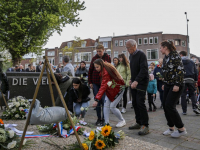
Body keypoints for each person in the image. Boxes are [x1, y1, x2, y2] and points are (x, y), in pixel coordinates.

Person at [160, 40, 187, 138]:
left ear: (165, 47)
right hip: (167, 84)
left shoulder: (175, 55)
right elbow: (166, 71)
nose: (160, 49)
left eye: (161, 47)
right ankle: (171, 128)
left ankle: (181, 129)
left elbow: (180, 71)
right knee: (165, 105)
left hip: (176, 84)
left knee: (170, 105)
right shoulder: (166, 57)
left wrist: (177, 84)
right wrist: (164, 82)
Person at [92, 59, 126, 127]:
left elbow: (103, 86)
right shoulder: (105, 67)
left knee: (112, 107)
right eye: (95, 67)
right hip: (111, 89)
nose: (96, 69)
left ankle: (122, 120)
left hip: (118, 89)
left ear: (101, 65)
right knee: (106, 105)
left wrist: (96, 99)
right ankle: (106, 124)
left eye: (97, 67)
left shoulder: (106, 72)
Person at [126, 39, 149, 135]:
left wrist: (136, 80)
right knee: (134, 103)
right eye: (126, 48)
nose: (127, 50)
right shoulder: (131, 56)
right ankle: (138, 122)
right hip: (134, 82)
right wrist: (132, 79)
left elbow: (143, 70)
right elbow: (134, 70)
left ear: (134, 46)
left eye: (128, 48)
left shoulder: (141, 54)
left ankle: (145, 125)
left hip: (142, 82)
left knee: (140, 103)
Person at [88, 44, 111, 126]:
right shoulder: (94, 58)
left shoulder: (107, 57)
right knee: (97, 100)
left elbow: (109, 69)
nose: (99, 53)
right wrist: (90, 82)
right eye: (97, 51)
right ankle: (99, 118)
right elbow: (90, 70)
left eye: (100, 51)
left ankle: (104, 119)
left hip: (104, 82)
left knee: (104, 100)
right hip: (95, 82)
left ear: (103, 50)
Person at [179, 51, 200, 115]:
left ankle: (184, 111)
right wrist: (195, 81)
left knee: (183, 95)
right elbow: (195, 72)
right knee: (193, 94)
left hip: (183, 80)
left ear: (181, 55)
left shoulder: (179, 62)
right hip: (191, 79)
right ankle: (194, 107)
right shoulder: (191, 62)